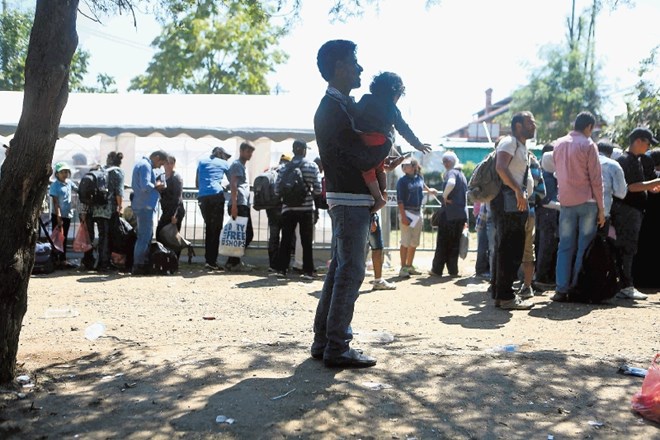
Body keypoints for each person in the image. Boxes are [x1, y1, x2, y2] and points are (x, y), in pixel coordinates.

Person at [311, 39, 400, 368]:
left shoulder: (337, 106)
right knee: (351, 271)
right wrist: (386, 143)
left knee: (339, 270)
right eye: (354, 61)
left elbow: (357, 153)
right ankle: (337, 345)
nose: (360, 68)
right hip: (349, 198)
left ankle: (325, 341)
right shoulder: (334, 109)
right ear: (338, 67)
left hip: (345, 197)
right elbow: (359, 154)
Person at [354, 71, 432, 213]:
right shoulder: (393, 109)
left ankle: (378, 198)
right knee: (379, 168)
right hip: (383, 143)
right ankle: (383, 192)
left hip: (367, 140)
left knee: (367, 170)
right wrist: (417, 144)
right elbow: (404, 129)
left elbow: (353, 113)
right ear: (395, 93)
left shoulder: (367, 99)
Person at [551, 112, 605, 302]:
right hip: (588, 203)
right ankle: (577, 286)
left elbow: (557, 173)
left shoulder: (558, 144)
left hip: (566, 203)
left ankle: (561, 289)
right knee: (584, 246)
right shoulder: (589, 145)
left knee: (564, 246)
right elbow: (596, 179)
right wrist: (602, 208)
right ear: (588, 126)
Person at [490, 111, 536, 310]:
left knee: (509, 249)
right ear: (518, 125)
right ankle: (506, 296)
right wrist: (518, 190)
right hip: (508, 201)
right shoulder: (510, 142)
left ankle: (502, 295)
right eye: (529, 122)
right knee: (510, 249)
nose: (533, 125)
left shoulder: (521, 145)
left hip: (513, 201)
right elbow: (501, 167)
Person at [611, 127, 660, 300]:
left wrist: (650, 189)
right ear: (638, 141)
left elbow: (640, 185)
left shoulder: (637, 160)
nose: (648, 147)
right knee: (627, 247)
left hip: (634, 210)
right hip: (627, 210)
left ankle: (625, 284)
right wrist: (654, 182)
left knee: (629, 247)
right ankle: (626, 285)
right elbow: (631, 187)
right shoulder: (626, 160)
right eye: (647, 143)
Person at [272, 140, 322, 278]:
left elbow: (277, 190)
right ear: (305, 150)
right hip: (306, 209)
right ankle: (308, 271)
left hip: (288, 209)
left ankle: (282, 269)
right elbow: (318, 189)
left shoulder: (284, 168)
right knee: (306, 240)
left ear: (293, 150)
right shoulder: (312, 166)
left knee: (286, 239)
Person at [132, 150, 168, 275]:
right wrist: (157, 185)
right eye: (161, 163)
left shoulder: (141, 164)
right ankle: (139, 265)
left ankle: (140, 264)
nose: (160, 166)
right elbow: (145, 185)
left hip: (142, 205)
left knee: (144, 236)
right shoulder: (146, 166)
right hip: (145, 206)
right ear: (157, 157)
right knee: (144, 237)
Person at [429, 152, 465, 278]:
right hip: (460, 214)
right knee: (454, 243)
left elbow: (451, 183)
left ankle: (437, 269)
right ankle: (453, 270)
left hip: (449, 214)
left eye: (446, 160)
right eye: (443, 161)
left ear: (452, 161)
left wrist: (444, 196)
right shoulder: (462, 174)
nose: (445, 163)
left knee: (443, 242)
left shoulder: (451, 173)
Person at [196, 146, 231, 271]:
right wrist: (225, 187)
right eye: (225, 156)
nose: (226, 158)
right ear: (221, 154)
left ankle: (208, 260)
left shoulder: (201, 161)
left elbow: (197, 183)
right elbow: (233, 181)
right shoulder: (224, 163)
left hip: (203, 197)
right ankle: (212, 261)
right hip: (216, 196)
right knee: (216, 229)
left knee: (209, 228)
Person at [224, 141, 256, 272]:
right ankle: (233, 261)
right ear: (241, 151)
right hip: (239, 203)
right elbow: (233, 184)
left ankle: (233, 261)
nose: (250, 155)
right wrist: (234, 205)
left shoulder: (241, 166)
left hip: (242, 203)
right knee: (245, 234)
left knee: (240, 235)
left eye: (251, 152)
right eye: (248, 151)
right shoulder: (237, 165)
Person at [92, 151, 125, 272]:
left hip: (97, 207)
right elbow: (119, 192)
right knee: (107, 236)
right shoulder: (118, 172)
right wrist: (120, 206)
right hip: (109, 209)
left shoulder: (101, 170)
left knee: (102, 235)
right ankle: (105, 263)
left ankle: (100, 261)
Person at [534, 151, 560, 289]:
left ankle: (541, 276)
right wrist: (562, 207)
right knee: (546, 246)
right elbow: (546, 201)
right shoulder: (548, 178)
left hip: (543, 217)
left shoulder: (544, 175)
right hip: (548, 217)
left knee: (542, 246)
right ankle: (543, 278)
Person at [49, 161, 78, 268]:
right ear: (57, 174)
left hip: (67, 215)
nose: (65, 174)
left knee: (64, 238)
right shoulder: (55, 185)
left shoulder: (69, 183)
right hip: (58, 215)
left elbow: (78, 190)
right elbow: (55, 202)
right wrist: (58, 216)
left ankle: (63, 259)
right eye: (62, 172)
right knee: (57, 238)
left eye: (66, 172)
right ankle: (55, 259)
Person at [265, 154, 291, 271]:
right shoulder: (288, 170)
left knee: (273, 235)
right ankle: (282, 264)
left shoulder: (270, 170)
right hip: (283, 206)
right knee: (286, 236)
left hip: (270, 207)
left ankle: (272, 264)